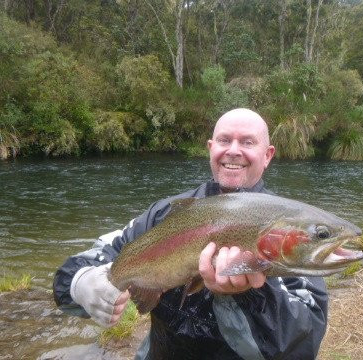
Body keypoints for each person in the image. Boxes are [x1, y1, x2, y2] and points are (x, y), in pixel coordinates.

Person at [53, 108, 328, 360]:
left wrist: (248, 296)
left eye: (247, 142)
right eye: (224, 140)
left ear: (267, 155)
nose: (233, 151)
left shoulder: (285, 227)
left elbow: (302, 345)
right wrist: (81, 283)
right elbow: (74, 276)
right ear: (210, 148)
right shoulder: (164, 214)